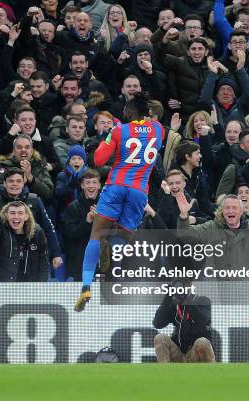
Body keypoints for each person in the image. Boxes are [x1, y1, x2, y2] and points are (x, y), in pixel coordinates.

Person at [75, 93, 166, 312]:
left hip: (116, 185)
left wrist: (108, 138)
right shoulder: (159, 130)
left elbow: (97, 160)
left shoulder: (119, 130)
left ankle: (86, 286)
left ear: (128, 113)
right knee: (123, 235)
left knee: (96, 235)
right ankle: (111, 271)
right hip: (138, 191)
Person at [0, 201, 49, 282]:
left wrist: (41, 286)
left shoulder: (37, 232)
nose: (16, 216)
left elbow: (43, 262)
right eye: (12, 213)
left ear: (26, 216)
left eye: (20, 213)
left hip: (29, 285)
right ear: (6, 215)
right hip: (2, 284)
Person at [153, 283, 216, 363]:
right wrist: (167, 298)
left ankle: (211, 373)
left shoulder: (203, 301)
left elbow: (203, 321)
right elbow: (158, 324)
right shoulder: (174, 306)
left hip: (195, 353)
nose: (180, 294)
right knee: (160, 338)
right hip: (178, 354)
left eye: (183, 290)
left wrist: (188, 303)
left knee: (202, 342)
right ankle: (165, 372)